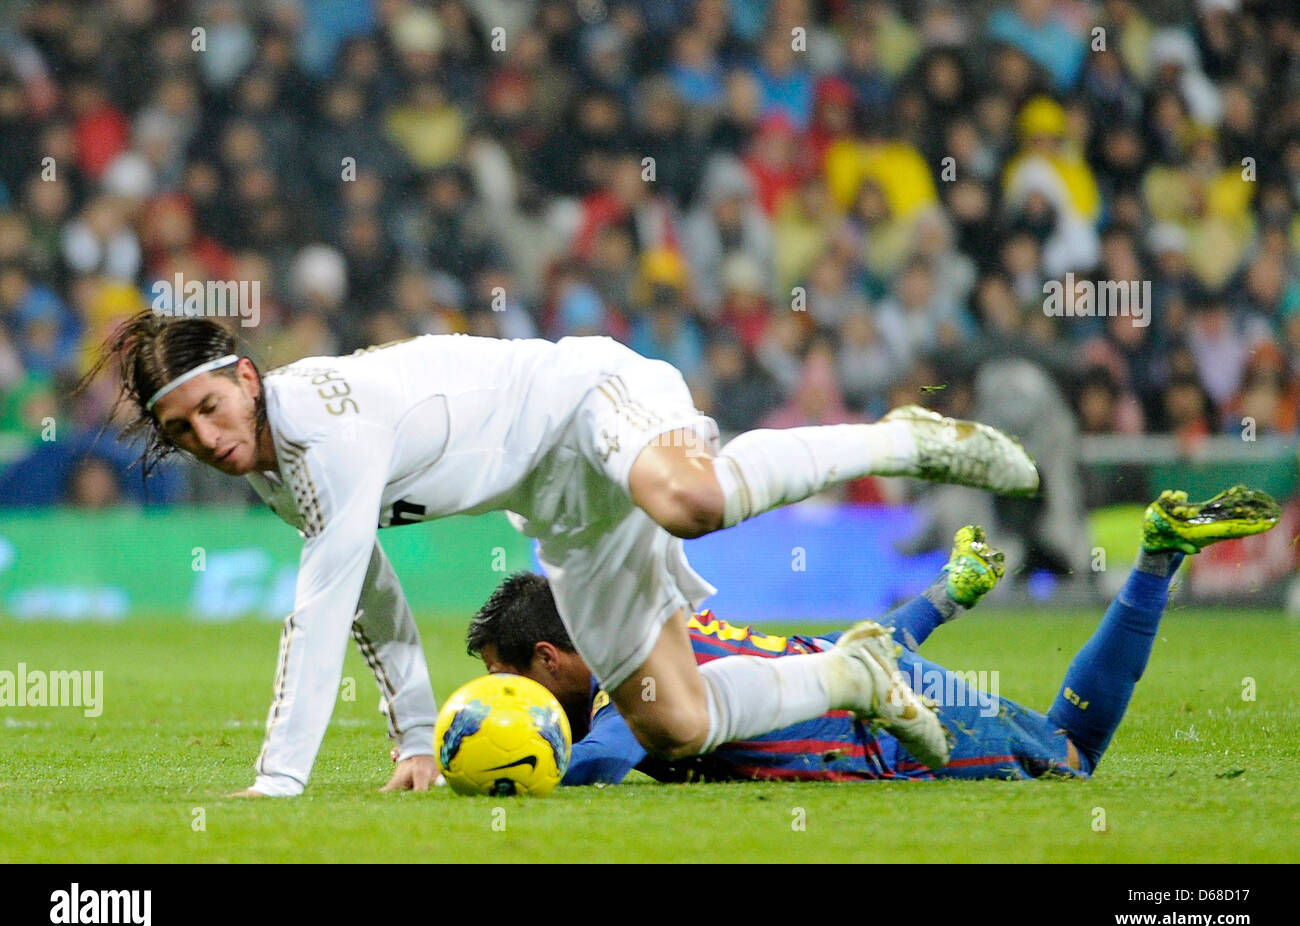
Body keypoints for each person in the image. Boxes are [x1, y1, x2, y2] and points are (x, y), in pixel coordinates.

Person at [75, 311, 1040, 796]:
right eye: (182, 429)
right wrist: (415, 736)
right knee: (675, 721)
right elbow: (371, 593)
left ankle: (904, 438)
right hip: (556, 499)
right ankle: (857, 673)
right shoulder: (274, 470)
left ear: (246, 377)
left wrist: (278, 782)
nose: (205, 435)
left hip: (583, 398)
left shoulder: (318, 423)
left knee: (690, 496)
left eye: (209, 407)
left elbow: (321, 605)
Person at [465, 486, 1279, 784]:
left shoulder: (634, 686)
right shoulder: (676, 631)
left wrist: (495, 768)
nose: (514, 704)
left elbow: (602, 762)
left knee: (1072, 758)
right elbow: (836, 649)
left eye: (511, 683)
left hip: (899, 734)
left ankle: (1155, 561)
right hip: (890, 693)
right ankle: (1156, 563)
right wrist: (939, 601)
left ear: (551, 657)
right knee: (1070, 744)